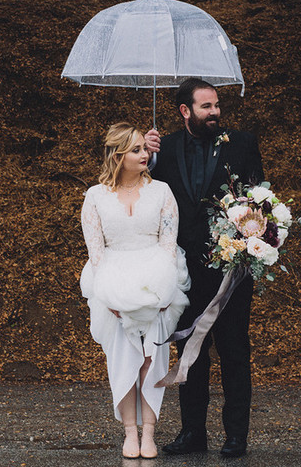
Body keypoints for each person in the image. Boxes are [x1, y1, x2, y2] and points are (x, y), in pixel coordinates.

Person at [145, 78, 264, 459]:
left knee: (234, 352)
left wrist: (251, 245)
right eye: (206, 107)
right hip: (184, 270)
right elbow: (145, 194)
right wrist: (146, 156)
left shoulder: (243, 143)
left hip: (231, 271)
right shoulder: (165, 147)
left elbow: (259, 199)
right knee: (189, 352)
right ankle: (192, 432)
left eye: (216, 105)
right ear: (185, 111)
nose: (215, 112)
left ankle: (236, 436)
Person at [80, 122, 190, 459]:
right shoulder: (95, 196)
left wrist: (162, 292)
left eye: (145, 147)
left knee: (152, 361)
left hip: (155, 281)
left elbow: (169, 245)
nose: (146, 154)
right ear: (118, 155)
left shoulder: (162, 191)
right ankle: (130, 432)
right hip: (112, 280)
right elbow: (95, 251)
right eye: (137, 149)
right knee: (123, 359)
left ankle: (150, 434)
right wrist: (109, 296)